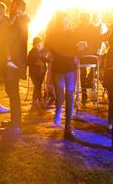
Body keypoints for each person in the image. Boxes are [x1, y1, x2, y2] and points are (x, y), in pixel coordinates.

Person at [45, 11, 78, 139]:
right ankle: (58, 110)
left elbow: (77, 49)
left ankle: (68, 126)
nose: (65, 23)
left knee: (70, 95)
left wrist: (80, 49)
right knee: (60, 95)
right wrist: (48, 55)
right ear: (59, 22)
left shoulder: (73, 34)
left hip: (70, 69)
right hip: (58, 68)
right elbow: (48, 49)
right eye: (63, 21)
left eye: (67, 21)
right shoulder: (52, 34)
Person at [0, 0, 30, 134]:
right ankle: (14, 120)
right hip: (15, 59)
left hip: (14, 60)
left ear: (20, 8)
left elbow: (10, 38)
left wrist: (6, 27)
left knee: (12, 90)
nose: (11, 7)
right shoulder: (19, 20)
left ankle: (16, 124)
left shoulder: (18, 21)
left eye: (14, 6)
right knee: (11, 90)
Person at [27, 36, 52, 107]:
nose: (38, 46)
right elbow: (28, 62)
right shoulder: (32, 52)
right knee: (37, 85)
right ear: (34, 45)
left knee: (38, 85)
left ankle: (36, 99)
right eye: (36, 44)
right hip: (33, 72)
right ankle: (36, 99)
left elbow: (50, 59)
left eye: (40, 44)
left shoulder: (45, 51)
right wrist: (35, 61)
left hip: (42, 71)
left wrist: (47, 57)